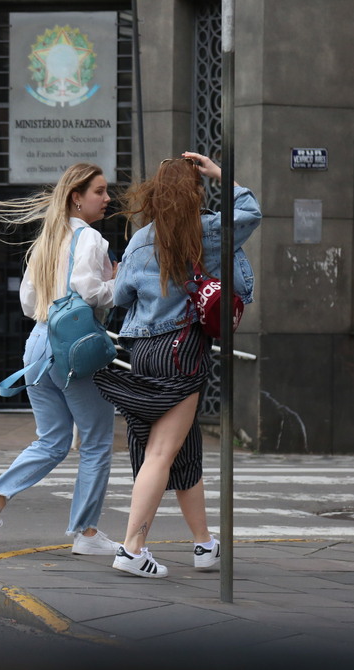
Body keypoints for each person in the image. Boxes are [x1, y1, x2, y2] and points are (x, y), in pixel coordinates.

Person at [93, 152, 262, 577]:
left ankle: (204, 545)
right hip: (181, 347)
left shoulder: (140, 238)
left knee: (181, 451)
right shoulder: (205, 232)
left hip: (143, 351)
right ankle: (132, 550)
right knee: (162, 452)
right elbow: (250, 212)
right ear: (195, 193)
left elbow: (123, 296)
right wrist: (220, 173)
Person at [0, 163, 121, 557]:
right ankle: (86, 534)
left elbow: (27, 302)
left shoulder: (46, 239)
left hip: (38, 341)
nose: (107, 199)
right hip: (75, 346)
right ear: (77, 197)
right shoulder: (90, 239)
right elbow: (87, 290)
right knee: (96, 441)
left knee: (52, 439)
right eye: (99, 192)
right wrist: (117, 283)